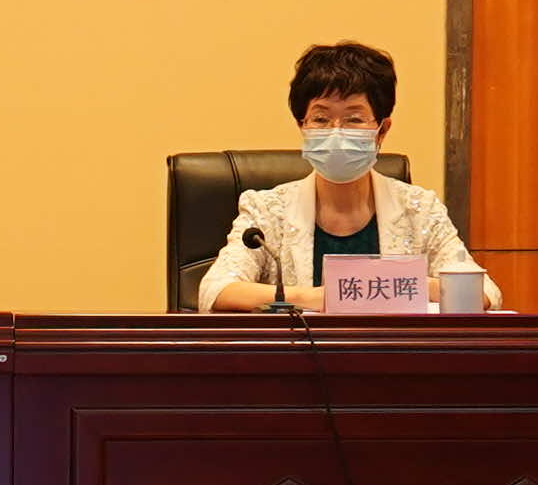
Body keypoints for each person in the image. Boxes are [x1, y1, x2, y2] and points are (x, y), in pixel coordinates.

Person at [199, 39, 498, 310]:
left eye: (354, 119)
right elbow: (216, 291)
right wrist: (318, 297)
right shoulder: (267, 210)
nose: (336, 132)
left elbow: (484, 293)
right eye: (321, 118)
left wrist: (404, 287)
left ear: (382, 130)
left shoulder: (419, 209)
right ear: (302, 125)